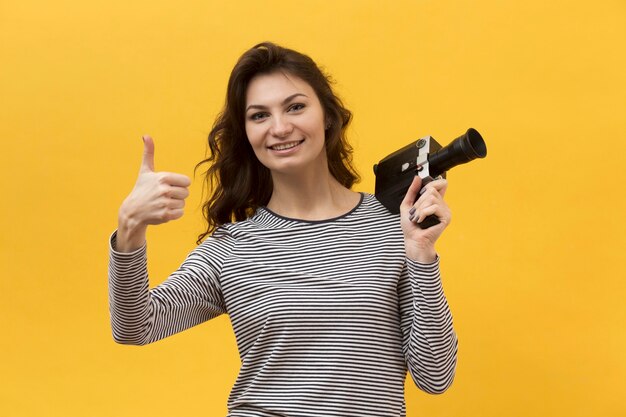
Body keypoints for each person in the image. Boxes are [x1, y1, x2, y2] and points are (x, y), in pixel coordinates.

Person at [109, 42, 457, 417]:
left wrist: (422, 255)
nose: (279, 127)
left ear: (327, 115)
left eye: (295, 107)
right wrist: (130, 230)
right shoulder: (233, 247)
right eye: (259, 116)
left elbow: (435, 376)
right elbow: (136, 326)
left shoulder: (394, 226)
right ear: (246, 133)